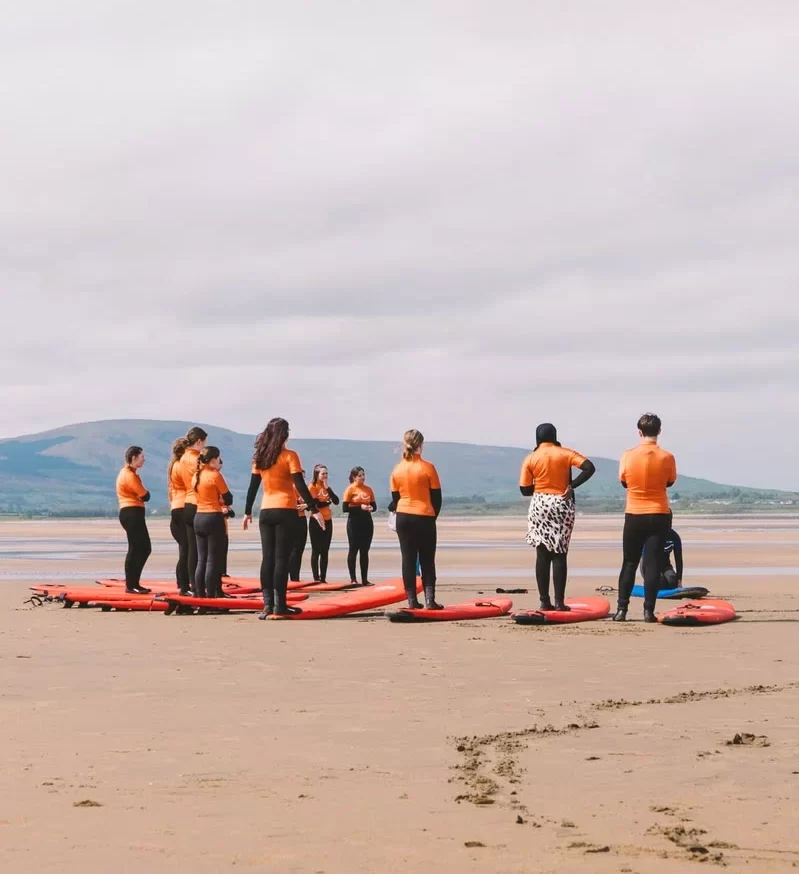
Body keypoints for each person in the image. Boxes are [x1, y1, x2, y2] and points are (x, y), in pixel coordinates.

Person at [243, 418, 322, 617]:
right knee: (281, 560)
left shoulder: (260, 458)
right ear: (285, 434)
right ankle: (280, 605)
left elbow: (253, 487)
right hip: (285, 510)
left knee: (267, 558)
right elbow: (300, 485)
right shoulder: (290, 456)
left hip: (266, 511)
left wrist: (247, 511)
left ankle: (267, 605)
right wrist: (314, 509)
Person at [518, 424, 596, 611]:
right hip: (562, 502)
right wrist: (571, 485)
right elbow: (589, 468)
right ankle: (560, 602)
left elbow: (524, 489)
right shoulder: (565, 453)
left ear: (537, 439)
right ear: (555, 437)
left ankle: (545, 601)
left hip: (540, 504)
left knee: (542, 553)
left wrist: (540, 486)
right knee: (560, 553)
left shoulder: (531, 458)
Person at [613, 413, 677, 622]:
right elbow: (670, 481)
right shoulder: (667, 457)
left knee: (629, 562)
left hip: (634, 513)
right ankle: (648, 611)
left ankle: (622, 610)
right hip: (659, 513)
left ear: (639, 432)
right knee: (653, 564)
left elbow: (624, 481)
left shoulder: (627, 455)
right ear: (659, 431)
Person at [388, 429, 442, 609]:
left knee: (408, 559)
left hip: (403, 517)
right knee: (427, 559)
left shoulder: (397, 469)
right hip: (424, 516)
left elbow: (395, 499)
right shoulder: (428, 467)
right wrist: (431, 518)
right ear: (420, 445)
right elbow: (437, 498)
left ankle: (411, 600)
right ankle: (430, 600)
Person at [193, 446, 233, 600]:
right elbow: (228, 498)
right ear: (212, 460)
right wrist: (220, 499)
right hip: (213, 517)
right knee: (212, 559)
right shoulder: (215, 475)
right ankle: (211, 596)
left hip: (198, 517)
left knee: (201, 559)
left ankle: (199, 594)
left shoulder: (195, 476)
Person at [176, 426, 208, 594]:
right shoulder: (198, 458)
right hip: (199, 503)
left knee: (190, 549)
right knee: (200, 550)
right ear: (199, 441)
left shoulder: (182, 458)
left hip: (187, 503)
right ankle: (199, 586)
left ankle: (189, 586)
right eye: (204, 443)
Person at [116, 446, 152, 594]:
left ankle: (134, 583)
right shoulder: (128, 475)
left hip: (133, 512)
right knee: (139, 548)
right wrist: (143, 494)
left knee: (141, 548)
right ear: (133, 458)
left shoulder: (131, 473)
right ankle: (131, 585)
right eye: (142, 456)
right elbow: (145, 495)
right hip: (131, 513)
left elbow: (143, 495)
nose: (144, 459)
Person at [342, 466, 377, 586]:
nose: (362, 477)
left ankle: (365, 579)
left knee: (364, 551)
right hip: (354, 523)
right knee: (353, 550)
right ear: (354, 477)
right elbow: (345, 508)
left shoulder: (368, 489)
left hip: (367, 522)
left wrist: (371, 508)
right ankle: (353, 579)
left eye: (363, 475)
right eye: (359, 475)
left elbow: (374, 506)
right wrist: (360, 507)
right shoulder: (350, 489)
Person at [308, 464, 339, 582]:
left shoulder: (326, 487)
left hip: (328, 520)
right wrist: (327, 501)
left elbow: (336, 501)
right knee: (316, 550)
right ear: (317, 475)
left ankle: (323, 578)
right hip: (315, 521)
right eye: (323, 474)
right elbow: (316, 504)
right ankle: (316, 578)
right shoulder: (312, 486)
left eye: (326, 473)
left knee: (325, 550)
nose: (325, 476)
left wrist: (328, 489)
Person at [167, 438, 191, 595]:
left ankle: (181, 583)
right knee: (186, 550)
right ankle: (184, 586)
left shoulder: (173, 466)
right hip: (183, 508)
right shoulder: (181, 465)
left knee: (185, 549)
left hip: (176, 508)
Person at [641, 520, 683, 589]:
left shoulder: (674, 536)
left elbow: (678, 559)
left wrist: (679, 579)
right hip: (649, 566)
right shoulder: (651, 535)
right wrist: (648, 578)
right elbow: (644, 559)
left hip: (665, 566)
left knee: (672, 582)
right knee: (660, 582)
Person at [288, 476, 309, 583]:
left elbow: (311, 503)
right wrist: (300, 502)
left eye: (304, 476)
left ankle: (296, 577)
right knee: (292, 550)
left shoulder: (303, 489)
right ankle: (291, 577)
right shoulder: (290, 487)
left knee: (299, 550)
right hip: (292, 519)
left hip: (302, 519)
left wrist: (306, 505)